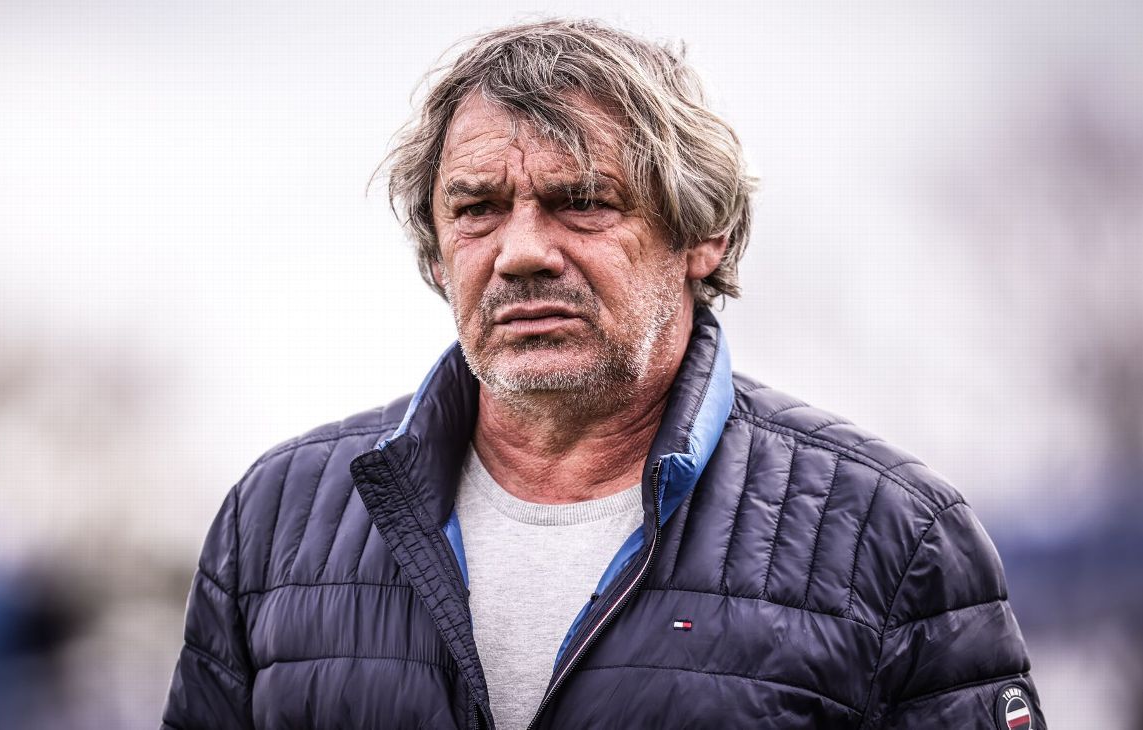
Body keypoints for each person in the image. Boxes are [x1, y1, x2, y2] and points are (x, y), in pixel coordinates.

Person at [162, 19, 1041, 729]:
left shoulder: (893, 538)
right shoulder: (276, 521)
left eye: (582, 202)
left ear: (703, 235)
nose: (521, 252)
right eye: (477, 208)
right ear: (435, 252)